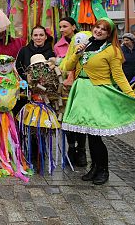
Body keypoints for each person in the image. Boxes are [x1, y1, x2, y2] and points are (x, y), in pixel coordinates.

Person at [61, 18, 135, 185]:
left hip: (98, 93)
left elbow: (118, 76)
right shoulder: (86, 45)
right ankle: (95, 167)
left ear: (109, 34)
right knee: (89, 134)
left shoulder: (112, 51)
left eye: (103, 29)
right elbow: (67, 67)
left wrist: (132, 95)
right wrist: (77, 53)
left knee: (96, 136)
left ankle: (103, 169)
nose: (99, 31)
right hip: (81, 92)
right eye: (97, 27)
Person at [53, 17, 87, 167]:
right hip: (64, 87)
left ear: (74, 27)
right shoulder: (58, 45)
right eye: (60, 26)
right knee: (66, 118)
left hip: (80, 85)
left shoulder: (83, 39)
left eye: (65, 26)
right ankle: (71, 149)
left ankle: (82, 151)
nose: (62, 29)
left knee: (80, 118)